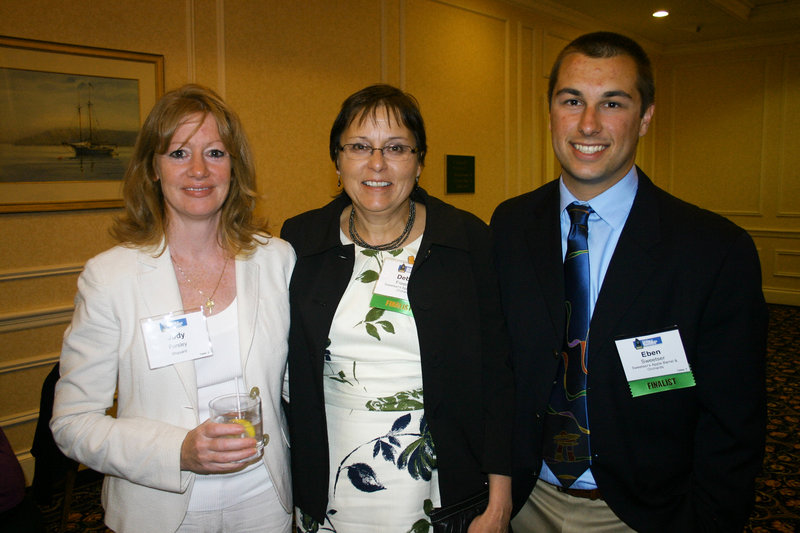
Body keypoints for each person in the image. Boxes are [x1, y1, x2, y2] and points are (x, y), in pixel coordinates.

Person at [491, 32, 767, 532]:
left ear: (644, 117)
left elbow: (734, 423)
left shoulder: (713, 249)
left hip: (643, 512)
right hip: (523, 499)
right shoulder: (509, 226)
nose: (588, 123)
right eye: (572, 100)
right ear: (552, 110)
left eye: (612, 103)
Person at [50, 84, 295, 532]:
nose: (199, 170)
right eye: (179, 153)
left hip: (264, 502)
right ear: (152, 169)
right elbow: (73, 422)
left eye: (216, 153)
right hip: (159, 508)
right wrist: (177, 451)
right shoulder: (111, 278)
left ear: (234, 168)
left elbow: (293, 381)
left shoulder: (276, 259)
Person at [281, 84, 514, 532]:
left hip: (439, 483)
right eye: (359, 147)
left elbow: (499, 378)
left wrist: (499, 500)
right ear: (337, 159)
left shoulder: (465, 241)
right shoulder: (300, 242)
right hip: (328, 481)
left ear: (420, 161)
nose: (377, 164)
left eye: (396, 148)